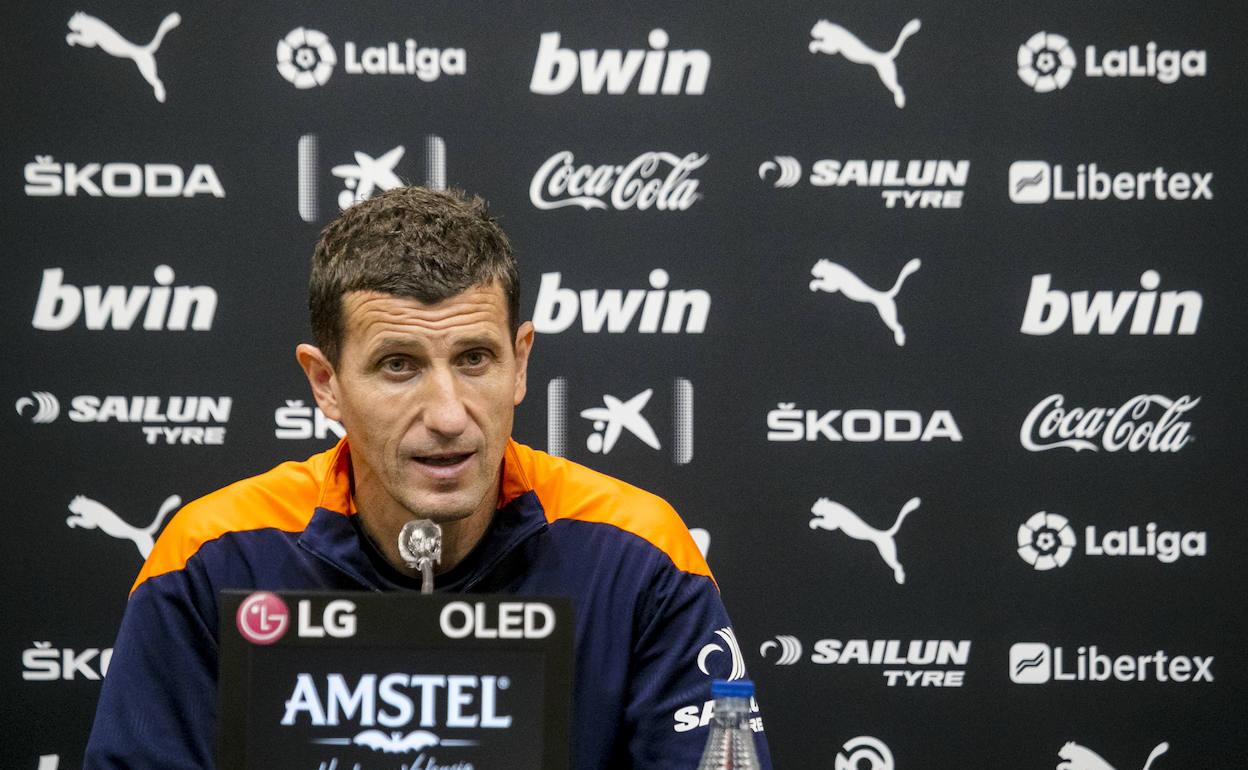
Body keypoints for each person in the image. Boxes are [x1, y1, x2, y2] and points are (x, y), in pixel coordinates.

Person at [84, 186, 771, 769]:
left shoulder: (640, 552)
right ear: (325, 383)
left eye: (474, 358)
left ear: (520, 362)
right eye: (398, 365)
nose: (447, 415)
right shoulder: (212, 558)